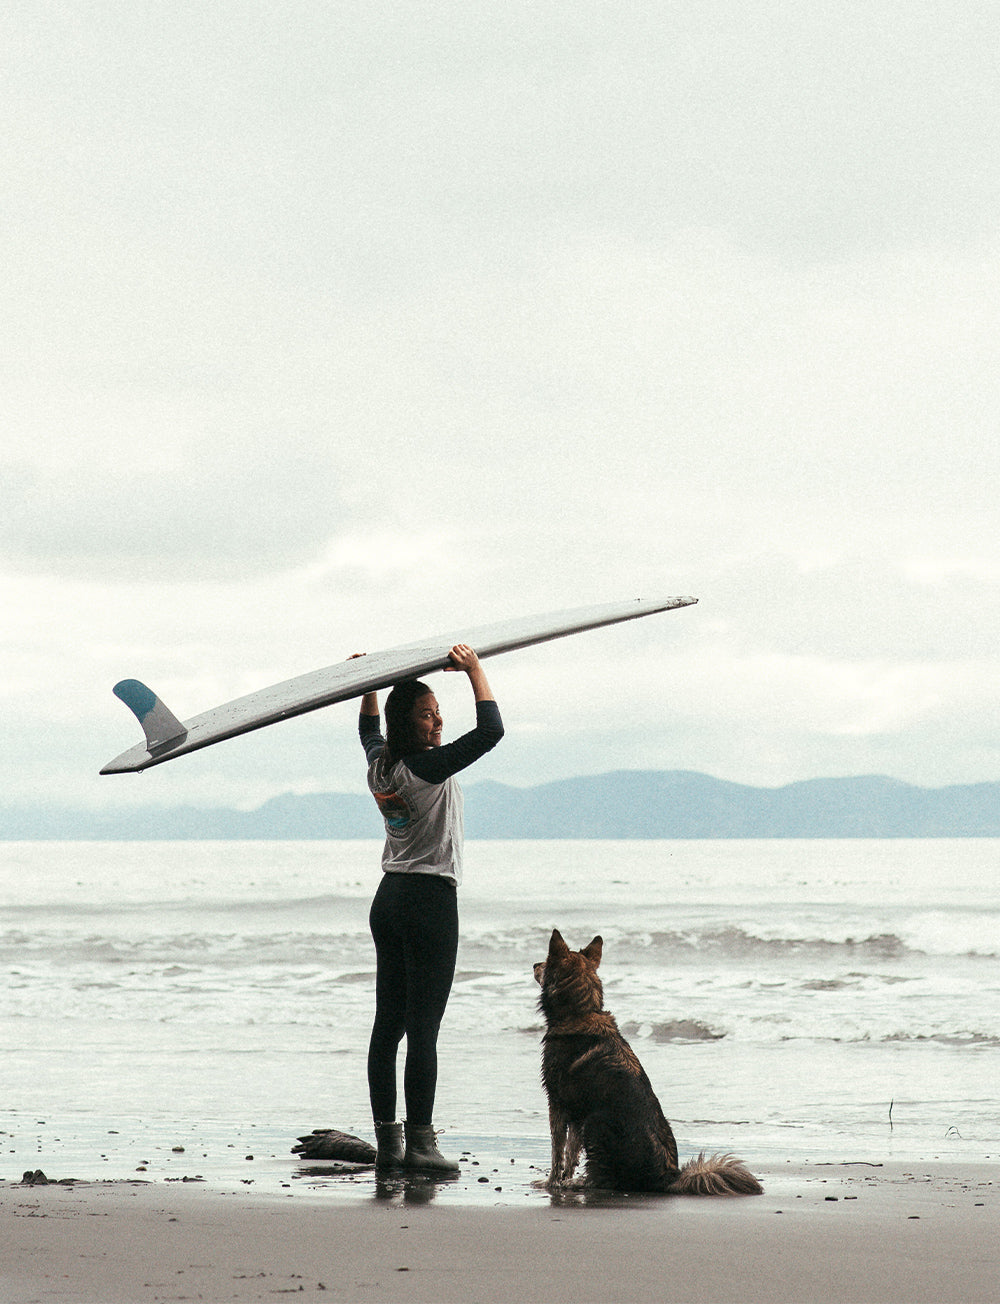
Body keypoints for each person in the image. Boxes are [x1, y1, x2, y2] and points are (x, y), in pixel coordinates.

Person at [358, 644, 503, 1172]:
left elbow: (369, 735)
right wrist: (475, 671)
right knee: (422, 1031)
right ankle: (420, 1145)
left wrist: (367, 688)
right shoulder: (427, 768)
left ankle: (388, 1145)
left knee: (387, 1027)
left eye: (439, 711)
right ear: (409, 722)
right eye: (427, 713)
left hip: (388, 899)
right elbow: (491, 733)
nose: (439, 720)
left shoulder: (382, 768)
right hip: (428, 902)